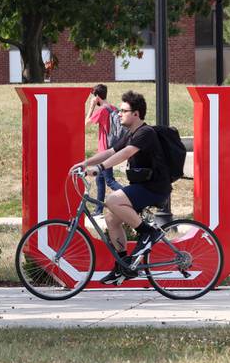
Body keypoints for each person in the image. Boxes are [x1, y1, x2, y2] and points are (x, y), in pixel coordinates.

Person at [71, 90, 171, 286]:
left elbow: (126, 153)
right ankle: (125, 265)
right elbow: (110, 151)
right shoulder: (131, 133)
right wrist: (85, 163)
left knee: (112, 200)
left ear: (136, 114)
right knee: (111, 217)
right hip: (143, 186)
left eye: (123, 110)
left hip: (154, 187)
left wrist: (99, 168)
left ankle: (149, 232)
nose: (118, 113)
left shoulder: (145, 133)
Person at [84, 84, 123, 214]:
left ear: (97, 97)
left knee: (110, 181)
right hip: (112, 148)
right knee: (99, 179)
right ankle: (99, 209)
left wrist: (91, 106)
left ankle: (131, 198)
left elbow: (86, 124)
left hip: (105, 151)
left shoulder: (101, 111)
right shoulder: (113, 108)